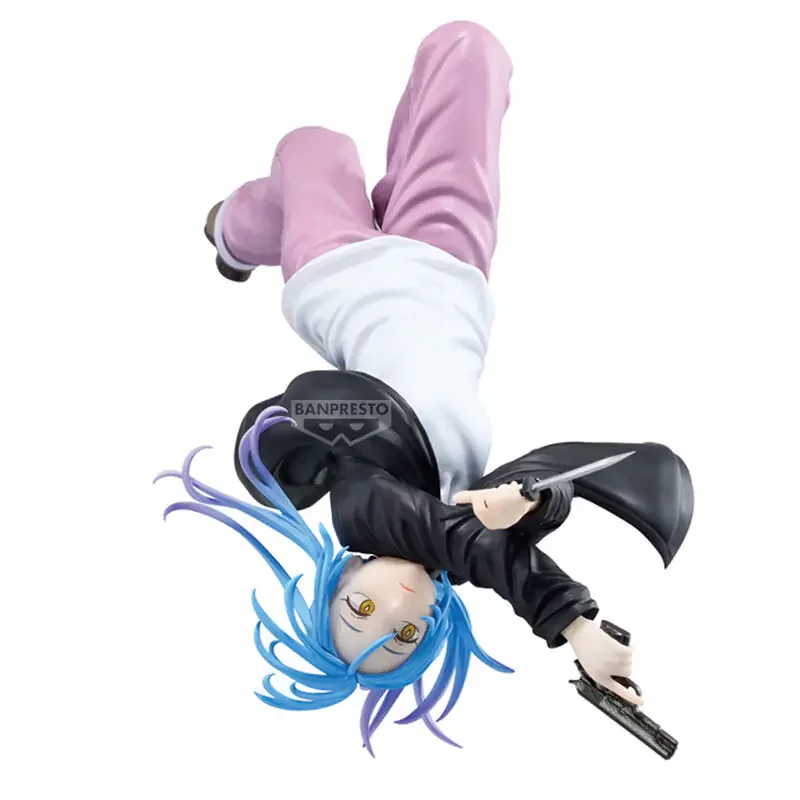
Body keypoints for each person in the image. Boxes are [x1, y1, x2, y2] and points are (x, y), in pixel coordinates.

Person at [158, 20, 694, 754]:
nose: (396, 605)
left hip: (337, 275)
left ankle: (234, 232)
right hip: (447, 261)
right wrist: (532, 501)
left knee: (314, 149)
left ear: (341, 579)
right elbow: (515, 520)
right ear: (436, 620)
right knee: (469, 52)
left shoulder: (364, 512)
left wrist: (574, 626)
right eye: (405, 633)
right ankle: (365, 192)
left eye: (360, 611)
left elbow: (470, 546)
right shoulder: (456, 516)